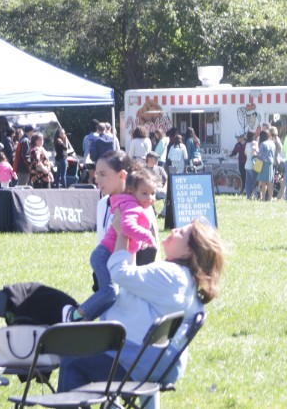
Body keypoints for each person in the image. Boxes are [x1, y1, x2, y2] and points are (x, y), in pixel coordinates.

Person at [58, 217, 224, 393]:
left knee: (72, 361)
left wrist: (122, 232)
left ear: (190, 252)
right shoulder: (186, 279)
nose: (174, 230)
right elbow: (133, 281)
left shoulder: (171, 275)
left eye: (181, 233)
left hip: (142, 364)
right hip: (163, 362)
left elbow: (119, 273)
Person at [66, 160, 159, 322]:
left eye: (152, 193)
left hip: (122, 259)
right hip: (110, 257)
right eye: (144, 193)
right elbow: (124, 231)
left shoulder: (142, 207)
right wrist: (147, 238)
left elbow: (146, 243)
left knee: (113, 295)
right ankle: (75, 316)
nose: (150, 198)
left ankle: (82, 320)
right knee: (111, 293)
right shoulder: (114, 205)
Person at [255, 129, 277, 202]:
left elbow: (259, 155)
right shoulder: (272, 143)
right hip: (270, 163)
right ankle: (270, 198)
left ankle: (263, 198)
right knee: (270, 182)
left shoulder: (263, 144)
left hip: (263, 163)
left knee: (263, 182)